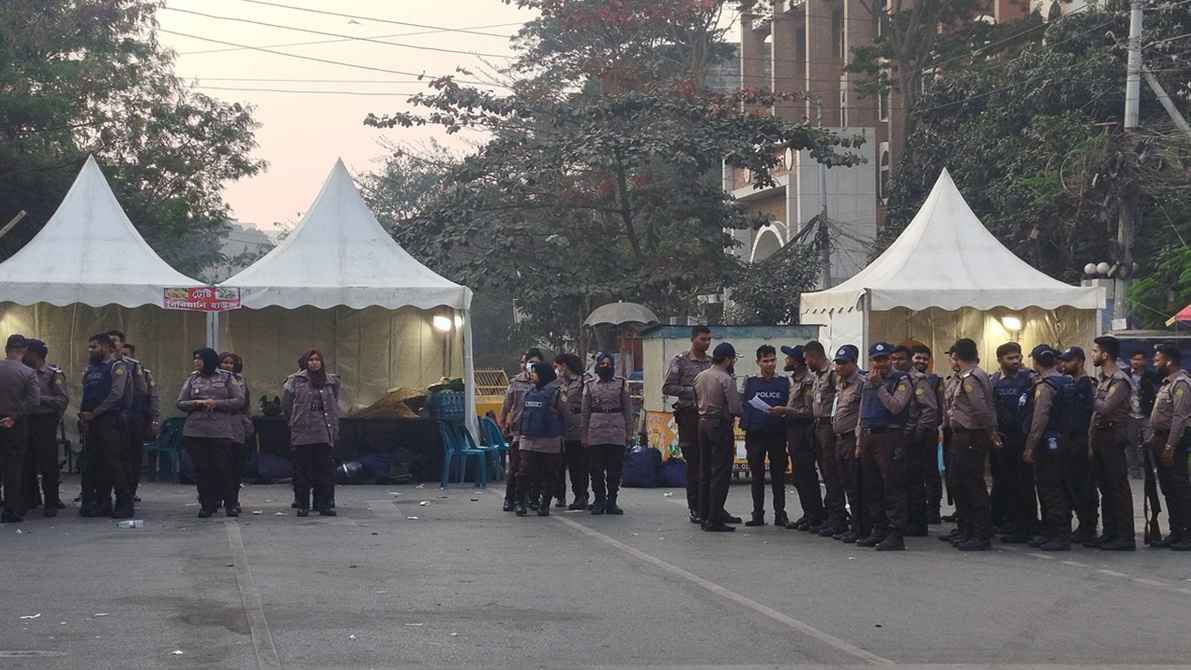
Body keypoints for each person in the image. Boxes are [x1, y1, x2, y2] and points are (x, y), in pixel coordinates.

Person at [856, 342, 912, 551]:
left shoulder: (901, 380)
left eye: (885, 359)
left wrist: (880, 386)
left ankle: (896, 534)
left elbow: (896, 407)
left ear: (891, 359)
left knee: (892, 486)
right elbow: (863, 411)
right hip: (869, 435)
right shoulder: (868, 380)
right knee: (873, 486)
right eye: (877, 360)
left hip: (890, 436)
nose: (881, 364)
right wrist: (859, 440)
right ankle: (878, 529)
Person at [945, 338, 999, 551]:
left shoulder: (972, 377)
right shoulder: (969, 375)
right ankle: (967, 530)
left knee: (972, 485)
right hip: (963, 436)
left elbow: (980, 408)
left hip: (971, 436)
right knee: (959, 483)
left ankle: (980, 534)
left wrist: (991, 432)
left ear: (957, 357)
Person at [178, 348, 244, 519]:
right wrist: (196, 403)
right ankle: (207, 505)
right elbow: (180, 402)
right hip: (196, 431)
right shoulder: (193, 379)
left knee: (223, 468)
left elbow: (239, 400)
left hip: (219, 430)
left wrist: (217, 403)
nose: (196, 362)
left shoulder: (226, 378)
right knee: (202, 470)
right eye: (195, 358)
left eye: (199, 359)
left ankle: (230, 504)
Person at [1022, 344, 1073, 551]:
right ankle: (1053, 532)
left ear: (1036, 362)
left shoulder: (1045, 385)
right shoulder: (1067, 381)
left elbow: (1039, 419)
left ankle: (1058, 535)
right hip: (1066, 440)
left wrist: (1029, 447)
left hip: (1048, 442)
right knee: (1059, 487)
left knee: (1049, 489)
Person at [662, 326, 712, 524]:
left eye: (708, 339)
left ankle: (711, 506)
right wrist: (693, 391)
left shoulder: (711, 362)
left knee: (710, 464)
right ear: (693, 339)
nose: (706, 343)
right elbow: (667, 387)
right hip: (689, 417)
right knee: (694, 464)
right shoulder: (680, 361)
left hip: (708, 417)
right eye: (703, 339)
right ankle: (695, 507)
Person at [1089, 335, 1135, 550]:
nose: (1092, 355)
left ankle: (1125, 537)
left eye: (1095, 351)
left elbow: (1106, 408)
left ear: (1105, 354)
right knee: (1105, 487)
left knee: (1117, 487)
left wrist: (1089, 394)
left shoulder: (1120, 380)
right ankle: (1110, 532)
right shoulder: (1103, 379)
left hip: (1113, 437)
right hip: (1100, 436)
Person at [989, 342, 1038, 543]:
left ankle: (1026, 526)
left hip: (1023, 437)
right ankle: (1009, 521)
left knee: (1024, 484)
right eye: (1010, 358)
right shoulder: (994, 381)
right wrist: (993, 432)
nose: (1015, 361)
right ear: (1000, 360)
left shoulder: (1029, 379)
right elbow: (991, 408)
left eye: (1018, 357)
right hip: (1003, 438)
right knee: (1005, 482)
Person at [281, 349, 339, 517]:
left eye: (317, 359)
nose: (314, 363)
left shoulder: (331, 381)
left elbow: (333, 402)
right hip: (303, 430)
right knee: (303, 470)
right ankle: (303, 504)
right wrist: (295, 420)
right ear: (306, 363)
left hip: (324, 429)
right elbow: (286, 404)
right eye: (311, 360)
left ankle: (323, 504)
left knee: (324, 469)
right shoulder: (295, 380)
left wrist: (334, 428)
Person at [78, 334, 129, 519]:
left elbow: (116, 395)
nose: (90, 350)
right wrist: (84, 416)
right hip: (91, 422)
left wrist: (95, 412)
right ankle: (102, 503)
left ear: (108, 348)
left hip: (109, 420)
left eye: (95, 347)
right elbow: (87, 394)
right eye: (90, 347)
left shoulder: (117, 367)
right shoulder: (91, 369)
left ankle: (124, 503)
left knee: (113, 463)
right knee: (94, 463)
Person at [738, 345, 789, 527]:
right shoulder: (749, 381)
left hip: (777, 434)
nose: (770, 364)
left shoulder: (784, 381)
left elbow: (790, 404)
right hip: (755, 434)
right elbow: (741, 402)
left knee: (778, 476)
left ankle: (780, 514)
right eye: (765, 361)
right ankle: (757, 514)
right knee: (757, 476)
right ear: (758, 362)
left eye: (772, 360)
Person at [693, 342, 741, 532]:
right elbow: (735, 408)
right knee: (720, 472)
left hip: (702, 424)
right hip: (720, 426)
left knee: (705, 471)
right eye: (733, 360)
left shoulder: (700, 376)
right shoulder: (726, 379)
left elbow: (695, 399)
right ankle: (714, 518)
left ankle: (704, 514)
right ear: (728, 360)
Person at [1147, 343, 1191, 550]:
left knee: (1180, 489)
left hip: (1173, 443)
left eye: (1158, 360)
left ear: (1169, 361)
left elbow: (1179, 418)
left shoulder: (1181, 384)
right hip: (1160, 440)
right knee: (1168, 489)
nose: (1154, 363)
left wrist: (1170, 446)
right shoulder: (1166, 384)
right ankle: (1176, 531)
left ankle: (1188, 535)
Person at [775, 344, 821, 530]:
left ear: (796, 361)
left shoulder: (808, 381)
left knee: (806, 475)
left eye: (789, 357)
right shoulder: (795, 380)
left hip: (803, 432)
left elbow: (809, 411)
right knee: (799, 477)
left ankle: (815, 515)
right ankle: (808, 513)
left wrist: (786, 410)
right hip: (793, 431)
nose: (785, 360)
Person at [581, 353, 633, 516]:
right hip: (596, 432)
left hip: (616, 431)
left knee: (614, 470)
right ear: (597, 366)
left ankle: (612, 501)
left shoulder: (621, 383)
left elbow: (628, 409)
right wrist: (584, 435)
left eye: (608, 364)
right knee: (596, 470)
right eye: (602, 364)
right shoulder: (589, 384)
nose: (606, 367)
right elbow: (585, 412)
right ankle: (599, 500)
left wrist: (629, 433)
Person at [1058, 346, 1100, 545]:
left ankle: (1088, 527)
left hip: (1082, 440)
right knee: (1072, 485)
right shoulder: (1070, 383)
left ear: (1080, 361)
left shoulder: (1087, 384)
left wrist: (1090, 444)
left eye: (1068, 361)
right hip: (1069, 440)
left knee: (1084, 486)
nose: (1064, 364)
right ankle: (1084, 525)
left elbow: (1092, 415)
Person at [22, 340, 68, 517]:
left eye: (26, 352)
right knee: (26, 461)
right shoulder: (23, 372)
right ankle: (30, 498)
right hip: (26, 420)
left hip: (45, 421)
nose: (23, 355)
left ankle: (51, 502)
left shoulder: (53, 373)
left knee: (48, 463)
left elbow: (62, 400)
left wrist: (38, 398)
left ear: (34, 354)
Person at [895, 344, 937, 536]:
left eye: (901, 359)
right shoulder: (896, 379)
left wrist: (918, 432)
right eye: (894, 359)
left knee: (915, 481)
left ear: (909, 360)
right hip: (897, 436)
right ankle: (905, 519)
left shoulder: (918, 380)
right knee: (901, 481)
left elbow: (929, 409)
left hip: (913, 436)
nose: (897, 363)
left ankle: (918, 523)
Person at [806, 341, 846, 537]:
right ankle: (831, 516)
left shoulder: (832, 373)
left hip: (829, 427)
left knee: (832, 474)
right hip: (819, 426)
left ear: (814, 356)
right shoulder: (818, 375)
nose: (806, 363)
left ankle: (838, 519)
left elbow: (840, 398)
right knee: (826, 473)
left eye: (807, 359)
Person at [516, 361, 564, 517]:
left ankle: (545, 505)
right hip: (528, 439)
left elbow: (565, 414)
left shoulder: (557, 393)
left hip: (549, 440)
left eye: (535, 373)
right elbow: (521, 413)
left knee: (549, 473)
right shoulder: (528, 392)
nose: (532, 375)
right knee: (524, 472)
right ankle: (520, 502)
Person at [0, 335, 39, 522]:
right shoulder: (28, 373)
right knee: (13, 468)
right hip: (15, 424)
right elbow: (34, 400)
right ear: (24, 351)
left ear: (6, 349)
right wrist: (14, 417)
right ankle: (11, 510)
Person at [500, 348, 543, 513]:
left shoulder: (545, 382)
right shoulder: (516, 382)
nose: (533, 366)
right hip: (518, 430)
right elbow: (507, 405)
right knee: (516, 467)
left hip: (538, 431)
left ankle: (532, 498)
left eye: (537, 363)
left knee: (535, 467)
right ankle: (510, 499)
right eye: (530, 362)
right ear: (525, 364)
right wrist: (503, 424)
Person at [831, 345, 865, 543]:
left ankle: (860, 528)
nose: (838, 367)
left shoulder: (861, 383)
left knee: (856, 486)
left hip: (853, 438)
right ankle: (854, 525)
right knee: (845, 484)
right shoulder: (841, 383)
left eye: (843, 363)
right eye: (837, 363)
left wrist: (860, 442)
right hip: (840, 439)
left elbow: (862, 415)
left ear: (853, 363)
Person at [120, 342, 159, 502]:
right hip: (116, 419)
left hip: (136, 419)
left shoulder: (143, 372)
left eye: (126, 354)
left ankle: (131, 490)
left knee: (134, 456)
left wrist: (154, 419)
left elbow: (152, 396)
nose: (123, 357)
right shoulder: (109, 369)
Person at [911, 344, 945, 525]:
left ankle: (933, 510)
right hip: (911, 432)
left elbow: (940, 407)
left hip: (929, 432)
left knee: (931, 473)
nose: (921, 361)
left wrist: (938, 428)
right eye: (918, 358)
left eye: (925, 359)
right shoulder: (906, 378)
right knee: (914, 473)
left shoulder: (935, 380)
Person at [220, 353, 252, 516]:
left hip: (237, 424)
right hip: (218, 424)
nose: (228, 366)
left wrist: (247, 422)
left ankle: (233, 499)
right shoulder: (214, 379)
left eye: (231, 363)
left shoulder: (240, 380)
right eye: (224, 362)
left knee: (235, 465)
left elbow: (245, 403)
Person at [555, 353, 588, 511]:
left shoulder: (583, 381)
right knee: (570, 466)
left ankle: (582, 496)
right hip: (564, 429)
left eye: (559, 366)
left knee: (580, 465)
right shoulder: (560, 383)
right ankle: (575, 495)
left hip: (578, 427)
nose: (558, 370)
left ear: (565, 366)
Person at [1126, 350, 1159, 479]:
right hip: (1130, 415)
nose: (1136, 362)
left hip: (1146, 414)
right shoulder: (1125, 374)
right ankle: (1134, 470)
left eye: (1139, 359)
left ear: (1144, 361)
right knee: (1130, 443)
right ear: (1130, 360)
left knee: (1150, 442)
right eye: (1134, 359)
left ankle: (1153, 469)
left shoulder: (1151, 375)